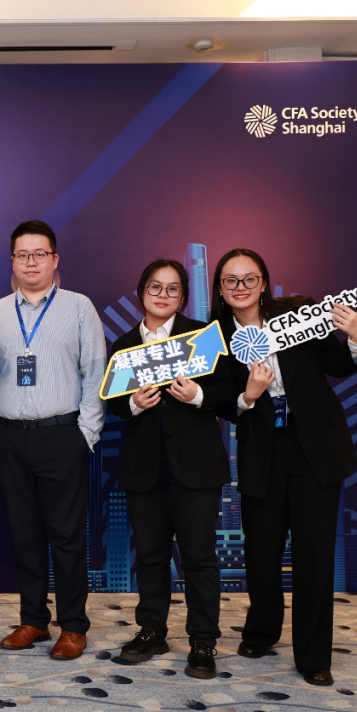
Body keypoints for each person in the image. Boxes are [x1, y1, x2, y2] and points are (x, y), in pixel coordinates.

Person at [210, 248, 357, 687]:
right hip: (262, 449)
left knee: (314, 555)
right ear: (220, 288)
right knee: (261, 551)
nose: (240, 287)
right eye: (230, 280)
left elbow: (338, 365)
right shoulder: (214, 337)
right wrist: (249, 395)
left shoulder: (297, 315)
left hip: (314, 446)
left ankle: (313, 655)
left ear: (263, 282)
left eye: (249, 278)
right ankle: (262, 631)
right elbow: (221, 401)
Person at [0, 219, 106, 661]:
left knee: (66, 536)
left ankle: (73, 625)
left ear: (54, 259)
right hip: (11, 437)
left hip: (62, 435)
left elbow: (95, 372)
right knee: (24, 534)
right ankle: (33, 619)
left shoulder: (79, 307)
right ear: (12, 261)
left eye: (39, 254)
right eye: (22, 255)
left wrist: (85, 434)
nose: (31, 262)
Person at [108, 259, 234, 679]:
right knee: (150, 556)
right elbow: (112, 400)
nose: (163, 295)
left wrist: (198, 395)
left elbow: (227, 389)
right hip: (144, 469)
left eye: (172, 289)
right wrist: (132, 404)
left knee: (199, 557)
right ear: (141, 291)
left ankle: (203, 641)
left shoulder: (202, 337)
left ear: (183, 296)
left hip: (196, 467)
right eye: (155, 287)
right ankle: (152, 631)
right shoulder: (124, 344)